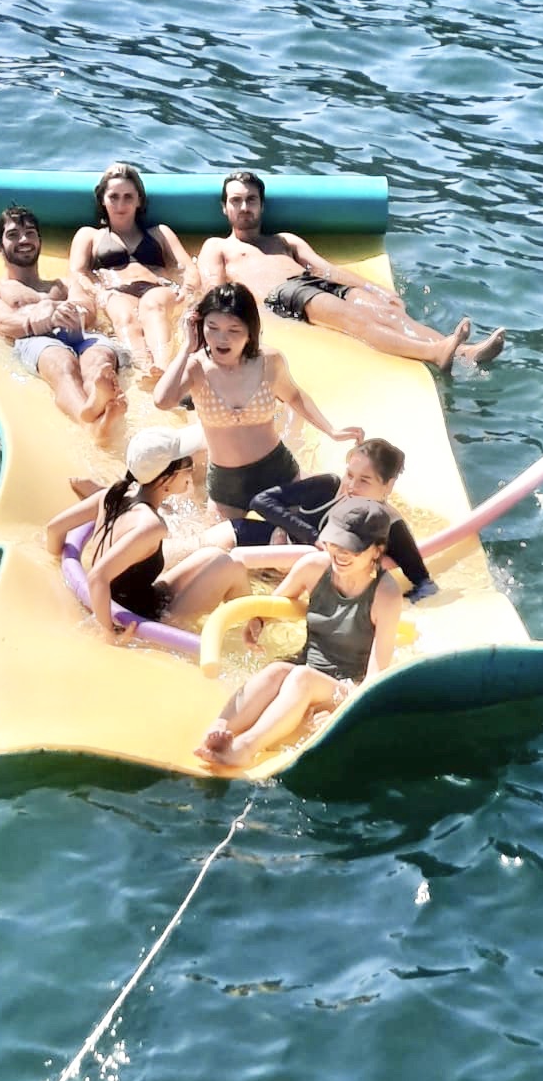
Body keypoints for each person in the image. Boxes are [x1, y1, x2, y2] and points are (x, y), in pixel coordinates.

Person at [197, 170, 505, 372]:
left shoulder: (284, 240)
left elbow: (326, 270)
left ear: (262, 205)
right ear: (225, 208)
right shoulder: (218, 246)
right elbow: (215, 292)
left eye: (251, 200)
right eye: (236, 201)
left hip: (310, 282)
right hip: (284, 294)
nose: (245, 207)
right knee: (355, 319)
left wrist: (376, 290)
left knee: (389, 313)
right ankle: (433, 353)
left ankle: (465, 352)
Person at [195, 498, 402, 768]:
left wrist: (338, 714)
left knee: (301, 677)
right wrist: (258, 622)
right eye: (335, 542)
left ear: (377, 550)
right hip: (305, 669)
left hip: (344, 687)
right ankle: (219, 729)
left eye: (352, 548)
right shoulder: (313, 567)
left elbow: (374, 679)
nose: (340, 553)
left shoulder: (386, 595)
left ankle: (246, 747)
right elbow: (272, 605)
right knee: (277, 671)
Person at [153, 281, 364, 521]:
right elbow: (162, 401)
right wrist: (186, 349)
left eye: (233, 330)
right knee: (219, 543)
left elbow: (294, 396)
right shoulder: (196, 368)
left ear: (250, 331)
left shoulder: (268, 361)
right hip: (226, 483)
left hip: (276, 471)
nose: (222, 339)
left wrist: (331, 431)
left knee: (303, 533)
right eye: (212, 327)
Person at [45, 426, 249, 641]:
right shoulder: (150, 526)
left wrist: (57, 565)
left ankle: (250, 626)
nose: (192, 471)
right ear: (165, 478)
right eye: (187, 465)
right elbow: (98, 577)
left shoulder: (112, 495)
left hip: (143, 599)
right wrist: (108, 633)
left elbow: (54, 529)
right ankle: (251, 637)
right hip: (142, 623)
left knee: (215, 555)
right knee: (233, 567)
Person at [205, 437, 438, 602]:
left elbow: (424, 582)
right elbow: (261, 501)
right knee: (207, 548)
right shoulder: (329, 487)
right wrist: (313, 537)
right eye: (350, 475)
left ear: (388, 485)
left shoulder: (390, 525)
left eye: (364, 480)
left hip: (295, 579)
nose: (351, 486)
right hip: (271, 544)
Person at [0, 205, 126, 442]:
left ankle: (97, 401)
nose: (24, 240)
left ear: (39, 241)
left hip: (80, 333)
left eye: (30, 233)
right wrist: (37, 320)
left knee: (99, 359)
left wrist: (68, 311)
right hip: (36, 339)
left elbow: (88, 308)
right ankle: (89, 423)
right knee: (61, 361)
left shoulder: (65, 284)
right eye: (13, 235)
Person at [69, 161, 199, 386]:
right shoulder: (90, 236)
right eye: (114, 197)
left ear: (139, 200)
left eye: (128, 197)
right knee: (123, 316)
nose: (121, 204)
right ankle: (145, 369)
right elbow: (78, 273)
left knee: (153, 306)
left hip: (156, 287)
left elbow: (188, 267)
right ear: (103, 199)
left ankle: (163, 367)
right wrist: (98, 292)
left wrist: (187, 290)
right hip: (115, 291)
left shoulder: (160, 233)